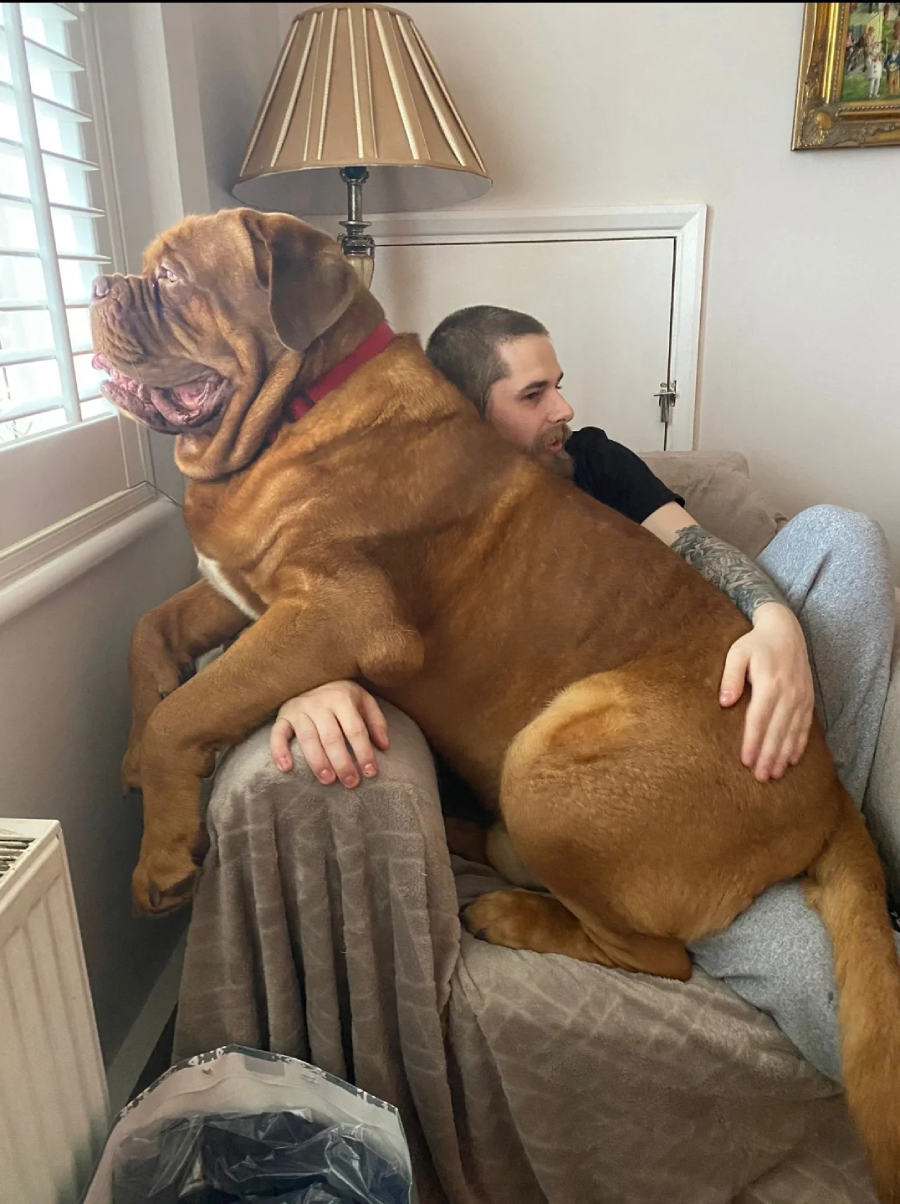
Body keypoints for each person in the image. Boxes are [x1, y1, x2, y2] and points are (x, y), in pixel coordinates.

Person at [268, 304, 898, 1083]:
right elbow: (322, 609)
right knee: (835, 992)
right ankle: (757, 866)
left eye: (559, 386)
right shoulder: (413, 522)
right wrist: (306, 688)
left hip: (722, 719)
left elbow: (697, 548)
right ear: (465, 412)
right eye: (533, 395)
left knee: (847, 537)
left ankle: (832, 811)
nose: (564, 409)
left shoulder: (593, 460)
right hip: (631, 811)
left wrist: (775, 627)